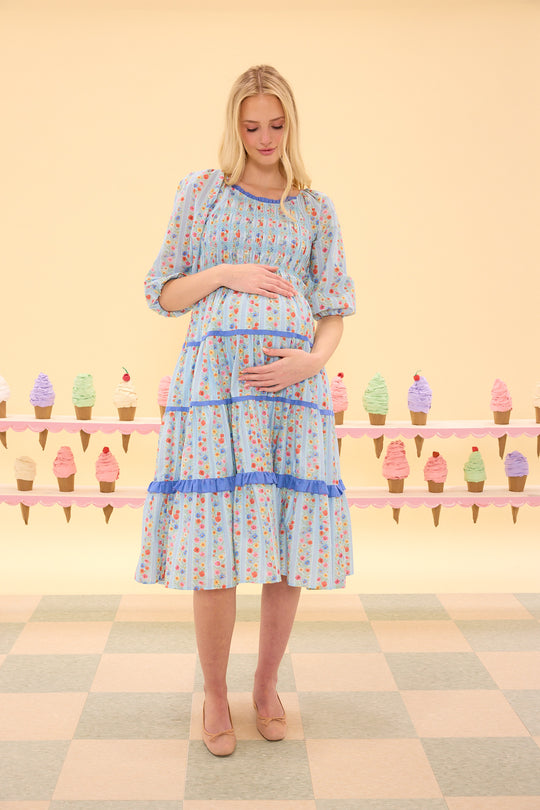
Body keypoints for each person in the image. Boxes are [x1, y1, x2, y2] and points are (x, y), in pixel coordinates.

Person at [135, 64, 356, 756]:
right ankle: (213, 694)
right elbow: (163, 291)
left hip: (292, 397)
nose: (264, 137)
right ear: (235, 126)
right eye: (251, 125)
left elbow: (333, 309)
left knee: (287, 548)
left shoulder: (314, 208)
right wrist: (225, 274)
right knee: (214, 547)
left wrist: (312, 362)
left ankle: (265, 686)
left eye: (276, 124)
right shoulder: (202, 193)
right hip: (215, 393)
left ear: (292, 123)